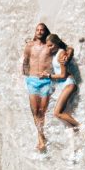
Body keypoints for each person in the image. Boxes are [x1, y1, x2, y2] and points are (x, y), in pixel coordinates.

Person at [21, 22, 56, 152]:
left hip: (46, 81)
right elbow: (25, 62)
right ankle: (41, 137)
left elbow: (66, 49)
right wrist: (24, 77)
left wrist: (69, 53)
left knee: (42, 111)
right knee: (35, 111)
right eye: (38, 29)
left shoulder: (50, 46)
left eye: (42, 30)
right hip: (32, 80)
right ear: (35, 31)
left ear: (45, 32)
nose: (39, 31)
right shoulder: (29, 46)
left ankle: (41, 138)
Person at [46, 33, 80, 130]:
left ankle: (80, 127)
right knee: (63, 111)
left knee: (57, 113)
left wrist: (49, 76)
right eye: (47, 46)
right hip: (65, 85)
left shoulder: (61, 54)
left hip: (69, 84)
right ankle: (76, 129)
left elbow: (63, 75)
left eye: (51, 45)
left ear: (57, 43)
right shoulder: (56, 53)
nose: (49, 48)